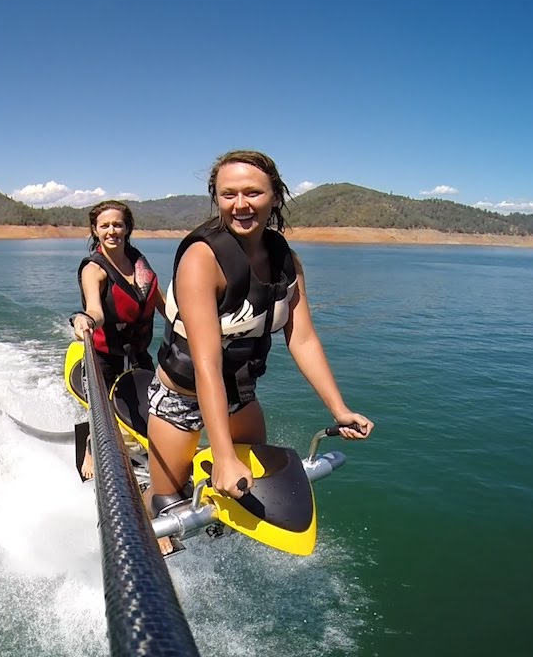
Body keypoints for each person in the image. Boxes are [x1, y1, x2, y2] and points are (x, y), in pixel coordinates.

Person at [145, 149, 374, 555]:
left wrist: (339, 410)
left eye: (253, 193)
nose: (240, 204)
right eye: (228, 194)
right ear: (216, 198)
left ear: (275, 196)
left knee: (246, 498)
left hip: (238, 394)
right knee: (167, 506)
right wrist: (221, 454)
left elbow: (302, 338)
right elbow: (206, 363)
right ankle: (147, 548)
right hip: (182, 395)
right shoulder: (202, 259)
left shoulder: (286, 260)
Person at [70, 200, 166, 479]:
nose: (112, 230)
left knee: (156, 406)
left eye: (118, 224)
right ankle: (91, 446)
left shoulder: (139, 265)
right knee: (103, 413)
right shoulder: (94, 269)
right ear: (95, 230)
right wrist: (85, 320)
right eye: (105, 226)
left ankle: (158, 454)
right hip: (104, 356)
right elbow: (95, 310)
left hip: (137, 354)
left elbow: (166, 307)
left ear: (127, 228)